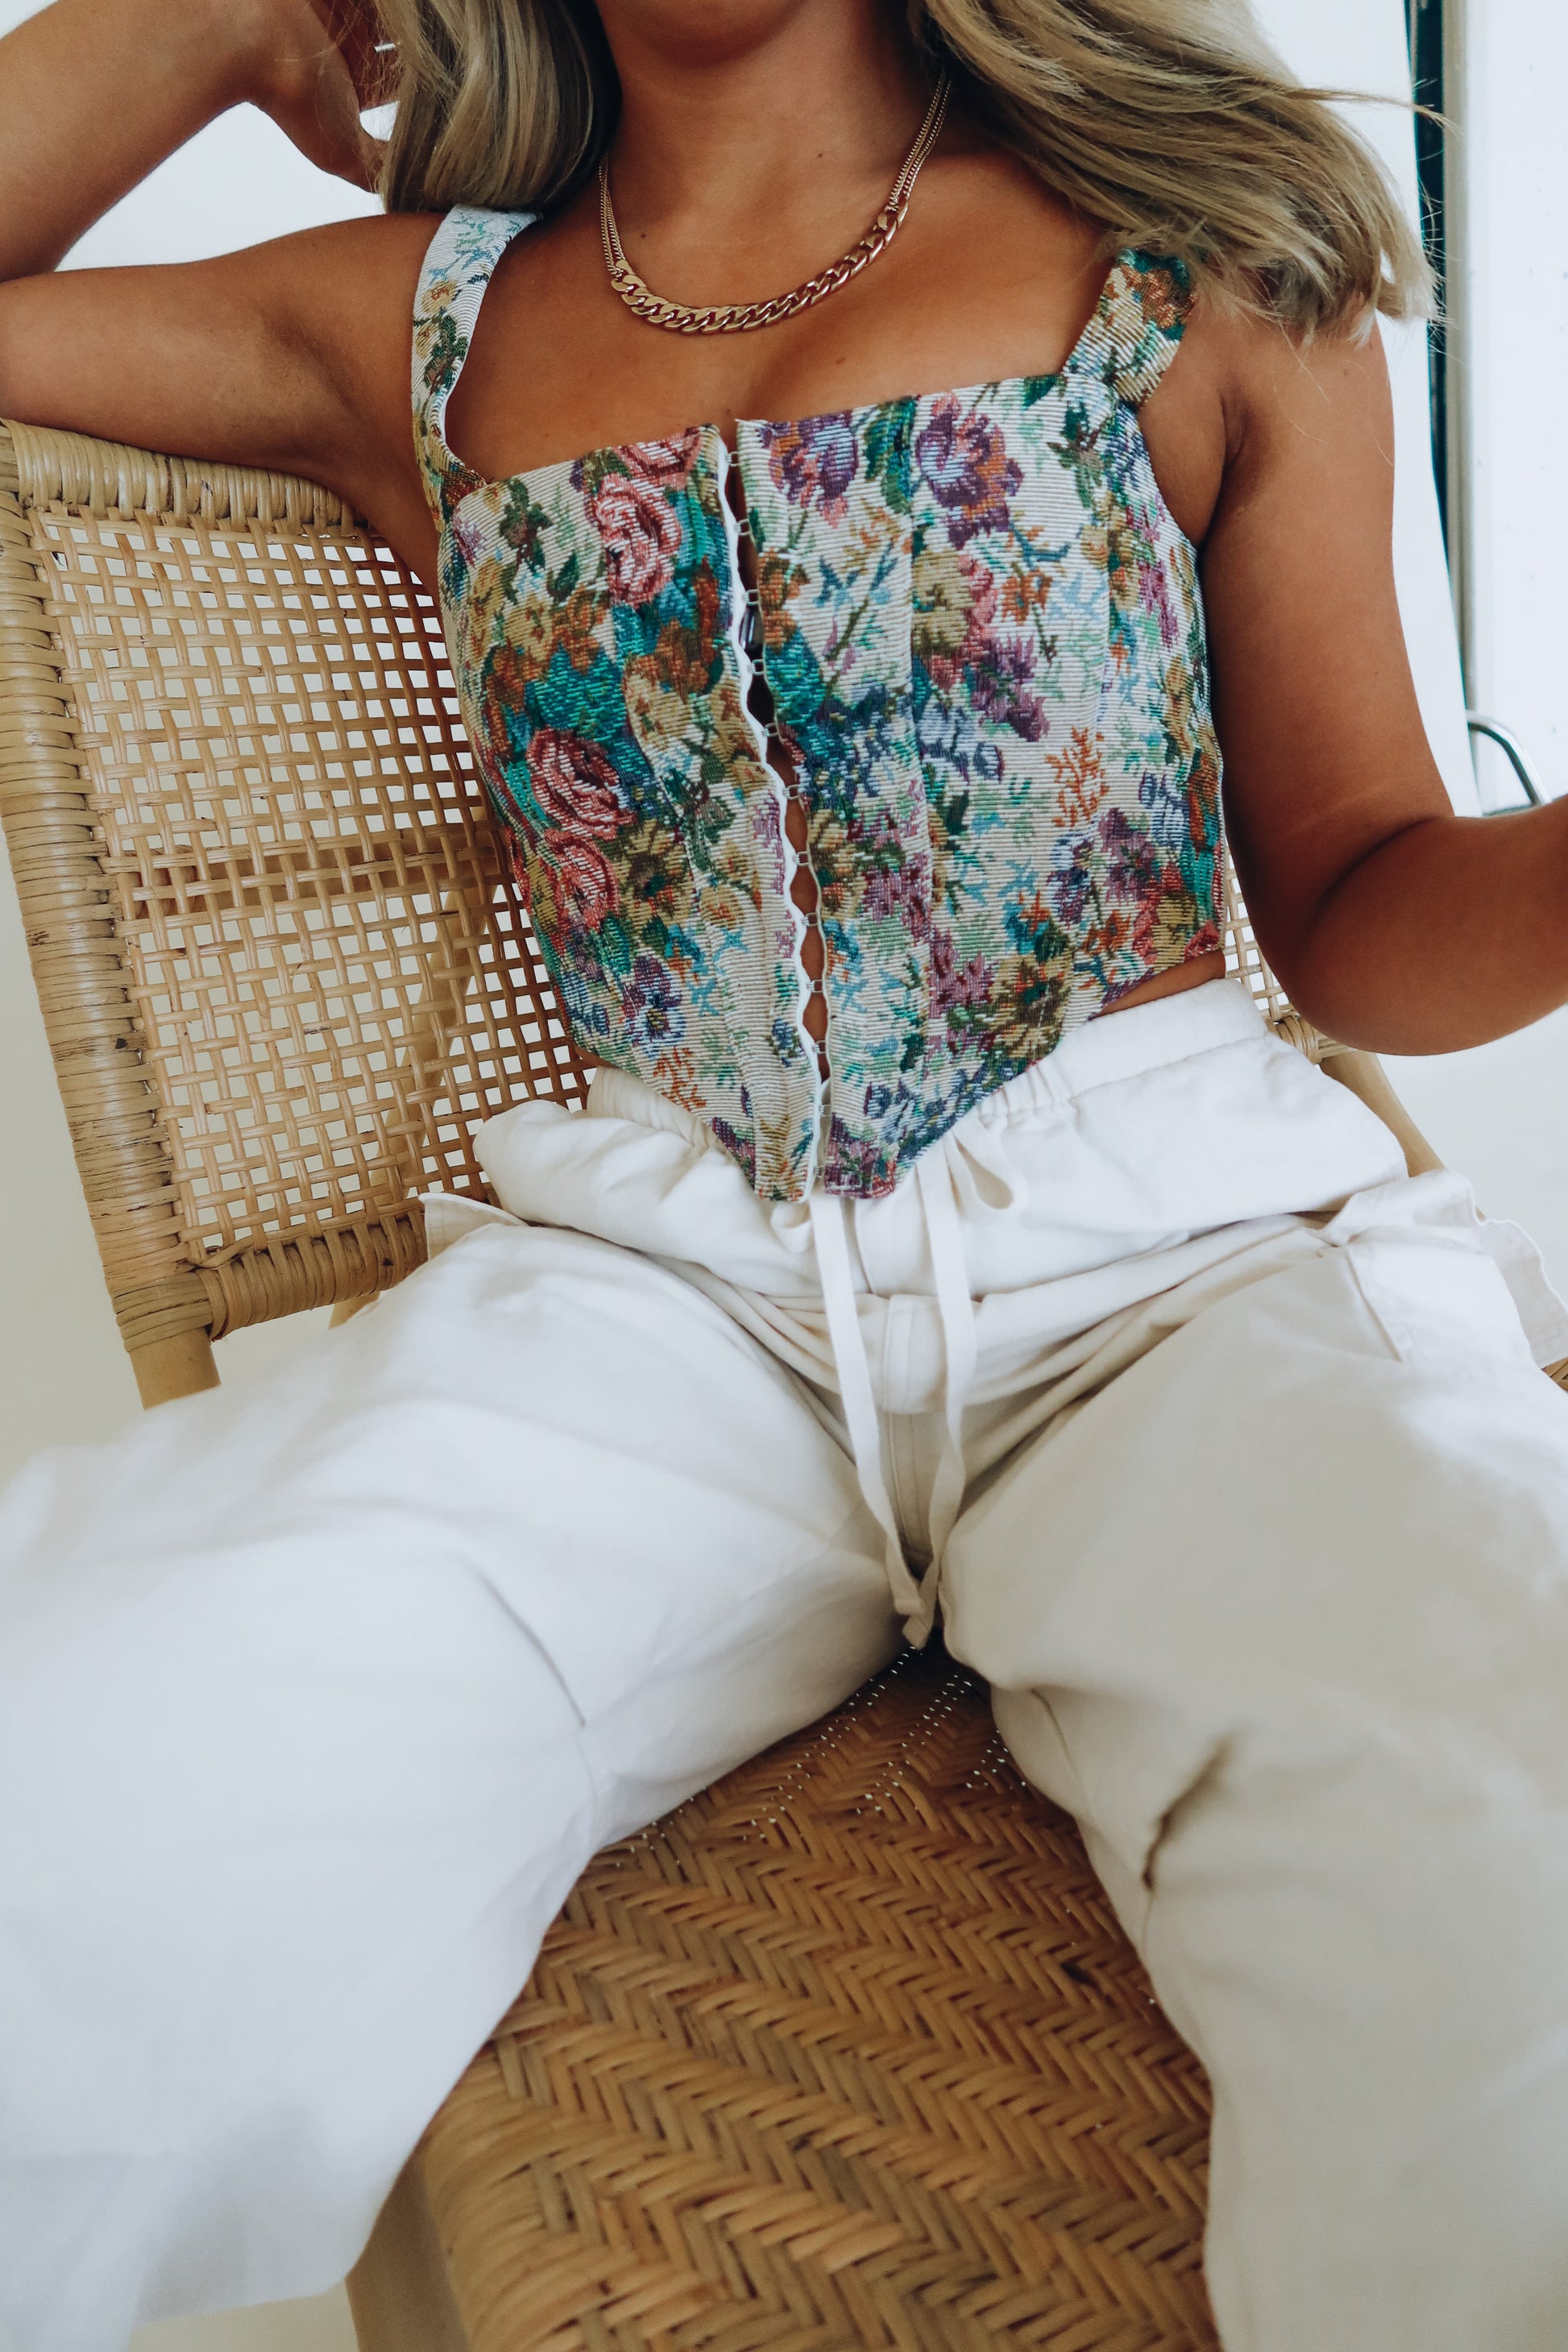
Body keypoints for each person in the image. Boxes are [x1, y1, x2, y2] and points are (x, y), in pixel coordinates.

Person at [2, 2, 1568, 2346]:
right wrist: (205, 25)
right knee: (69, 1782)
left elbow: (1353, 901)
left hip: (1184, 1278)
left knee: (1524, 1846)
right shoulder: (406, 321)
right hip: (651, 1314)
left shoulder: (1201, 263)